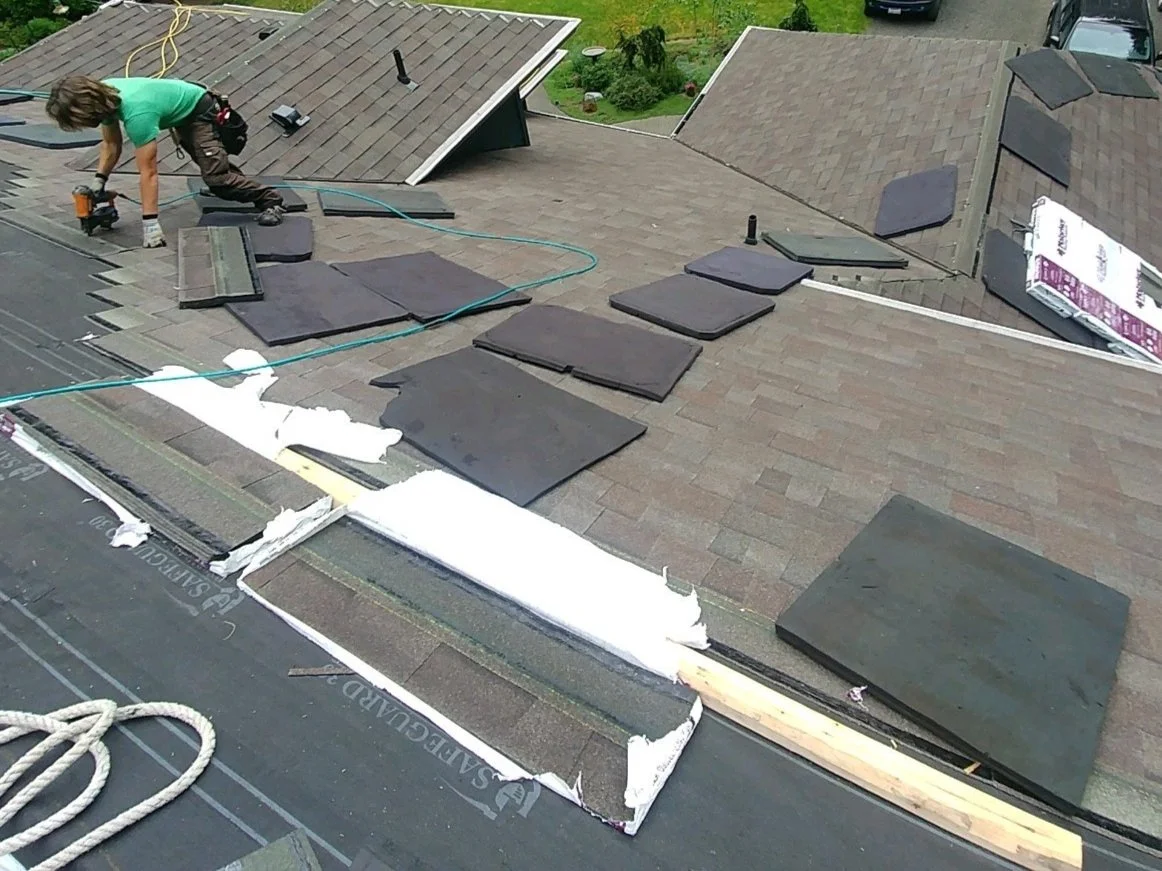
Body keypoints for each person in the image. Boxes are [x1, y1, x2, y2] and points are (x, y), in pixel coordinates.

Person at [45, 76, 284, 248]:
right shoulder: (105, 99)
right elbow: (111, 144)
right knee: (213, 168)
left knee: (217, 179)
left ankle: (271, 200)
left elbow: (148, 172)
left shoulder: (137, 113)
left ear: (87, 107)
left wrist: (150, 224)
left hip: (199, 109)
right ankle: (236, 183)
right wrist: (99, 181)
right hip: (180, 106)